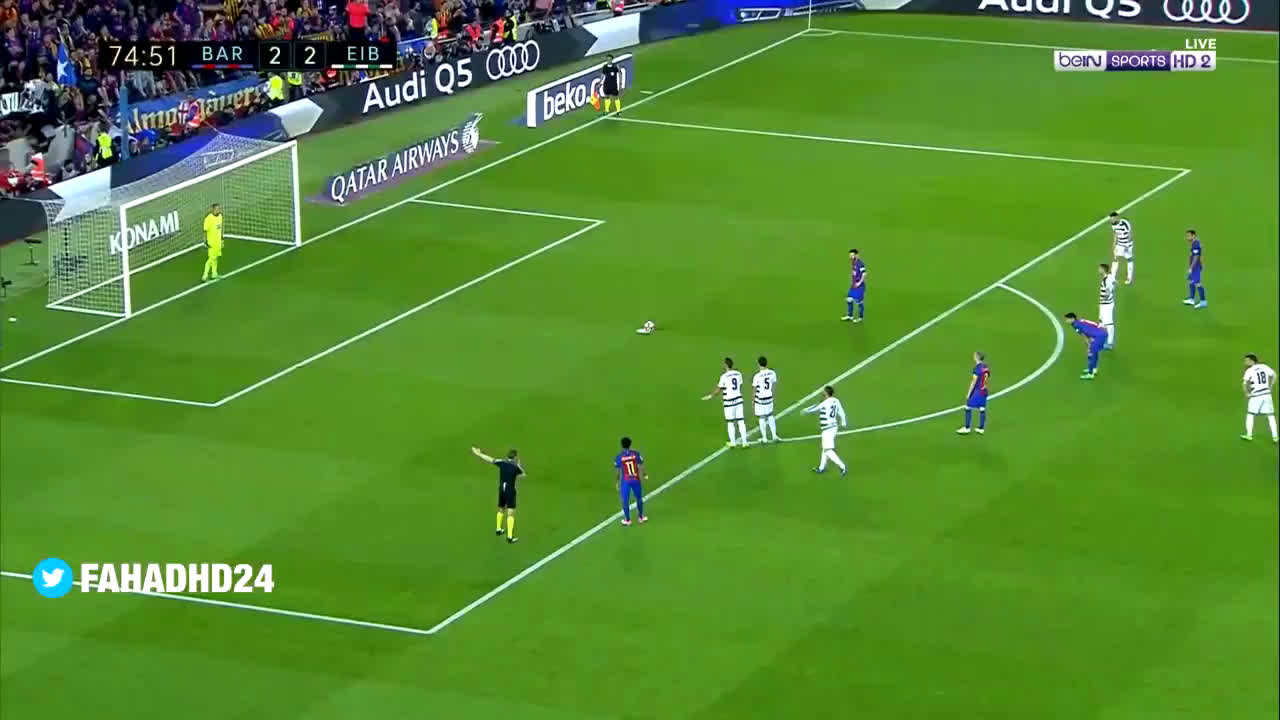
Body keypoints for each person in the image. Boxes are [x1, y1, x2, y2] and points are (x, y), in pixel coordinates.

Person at [472, 446, 523, 543]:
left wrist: (479, 454)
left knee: (501, 509)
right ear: (515, 457)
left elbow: (490, 459)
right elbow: (522, 474)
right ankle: (510, 537)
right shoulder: (516, 467)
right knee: (510, 513)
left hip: (501, 490)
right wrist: (519, 465)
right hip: (510, 491)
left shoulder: (502, 462)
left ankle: (498, 529)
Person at [703, 357, 748, 448]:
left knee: (730, 422)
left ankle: (733, 442)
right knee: (741, 421)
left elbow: (718, 390)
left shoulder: (724, 376)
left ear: (725, 365)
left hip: (729, 402)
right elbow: (740, 385)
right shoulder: (738, 374)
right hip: (738, 400)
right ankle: (745, 442)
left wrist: (710, 396)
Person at [803, 385, 847, 474]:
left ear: (826, 393)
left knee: (828, 450)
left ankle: (842, 467)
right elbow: (841, 412)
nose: (822, 392)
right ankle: (821, 468)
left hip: (827, 429)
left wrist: (805, 410)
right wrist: (844, 422)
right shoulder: (836, 401)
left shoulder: (825, 403)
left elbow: (815, 408)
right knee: (825, 449)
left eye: (824, 391)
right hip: (833, 427)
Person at [1241, 354, 1277, 443]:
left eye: (1247, 361)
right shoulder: (1264, 366)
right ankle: (1275, 437)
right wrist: (1271, 386)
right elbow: (1274, 375)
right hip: (1267, 394)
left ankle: (1249, 435)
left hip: (1256, 395)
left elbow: (1244, 384)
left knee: (1250, 414)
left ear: (1252, 361)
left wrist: (1247, 394)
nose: (1245, 362)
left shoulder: (1249, 370)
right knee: (1271, 416)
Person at [614, 437, 647, 526]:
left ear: (622, 445)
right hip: (635, 479)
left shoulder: (619, 457)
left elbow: (618, 471)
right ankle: (641, 517)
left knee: (625, 500)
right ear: (630, 444)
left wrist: (617, 482)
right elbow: (641, 465)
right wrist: (644, 474)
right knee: (639, 498)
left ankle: (628, 520)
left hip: (626, 481)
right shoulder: (635, 454)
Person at [1064, 312, 1107, 380]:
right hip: (1101, 333)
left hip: (1098, 336)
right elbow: (1092, 325)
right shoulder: (1080, 321)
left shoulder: (1076, 325)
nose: (1066, 321)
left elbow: (1084, 336)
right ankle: (1094, 369)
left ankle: (1090, 374)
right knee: (1094, 352)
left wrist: (1089, 346)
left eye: (1067, 319)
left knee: (1091, 354)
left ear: (1072, 318)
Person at [956, 351, 990, 435]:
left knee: (967, 407)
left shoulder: (977, 369)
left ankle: (967, 428)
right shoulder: (986, 367)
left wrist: (969, 393)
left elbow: (974, 381)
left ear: (977, 357)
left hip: (977, 391)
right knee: (982, 408)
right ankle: (981, 428)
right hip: (984, 390)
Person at [752, 356, 779, 443]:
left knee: (762, 417)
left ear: (758, 364)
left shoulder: (757, 376)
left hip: (760, 398)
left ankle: (764, 438)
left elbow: (754, 389)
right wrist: (772, 394)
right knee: (770, 415)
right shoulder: (772, 373)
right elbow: (774, 385)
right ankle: (774, 436)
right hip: (769, 397)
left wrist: (753, 400)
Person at [1183, 229, 1206, 308]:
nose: (1187, 237)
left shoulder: (1196, 244)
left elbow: (1196, 257)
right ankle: (1191, 299)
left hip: (1195, 267)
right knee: (1191, 281)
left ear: (1193, 236)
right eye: (1187, 236)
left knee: (1197, 283)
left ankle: (1203, 302)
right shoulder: (1194, 243)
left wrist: (1191, 268)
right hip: (1194, 266)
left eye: (1189, 236)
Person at [1109, 211, 1133, 284]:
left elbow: (1130, 234)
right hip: (1119, 244)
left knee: (1129, 259)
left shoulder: (1125, 223)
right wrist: (1114, 244)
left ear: (1117, 217)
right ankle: (1113, 277)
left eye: (1113, 219)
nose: (1112, 220)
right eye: (1111, 219)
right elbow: (1115, 234)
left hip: (1127, 244)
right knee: (1115, 258)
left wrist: (1127, 246)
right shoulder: (1113, 225)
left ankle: (1129, 278)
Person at [842, 248, 867, 323]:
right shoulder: (853, 262)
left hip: (859, 286)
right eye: (850, 255)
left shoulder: (860, 263)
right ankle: (850, 316)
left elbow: (864, 274)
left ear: (856, 255)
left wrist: (859, 283)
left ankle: (860, 318)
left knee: (859, 302)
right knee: (849, 299)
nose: (851, 257)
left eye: (852, 255)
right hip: (853, 285)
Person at [201, 203, 223, 281]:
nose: (218, 210)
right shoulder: (208, 219)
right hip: (211, 243)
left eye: (219, 209)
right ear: (213, 210)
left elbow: (220, 229)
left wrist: (222, 239)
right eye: (217, 209)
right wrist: (205, 241)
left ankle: (214, 274)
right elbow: (205, 231)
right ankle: (205, 276)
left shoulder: (220, 217)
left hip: (218, 242)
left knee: (216, 258)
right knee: (211, 259)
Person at [1098, 263, 1116, 349]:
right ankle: (1102, 339)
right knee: (1102, 322)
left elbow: (1108, 292)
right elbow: (1114, 283)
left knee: (1109, 323)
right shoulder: (1110, 277)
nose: (1098, 270)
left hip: (1106, 305)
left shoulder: (1105, 280)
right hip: (1106, 304)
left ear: (1103, 270)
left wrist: (1103, 300)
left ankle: (1110, 343)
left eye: (1100, 269)